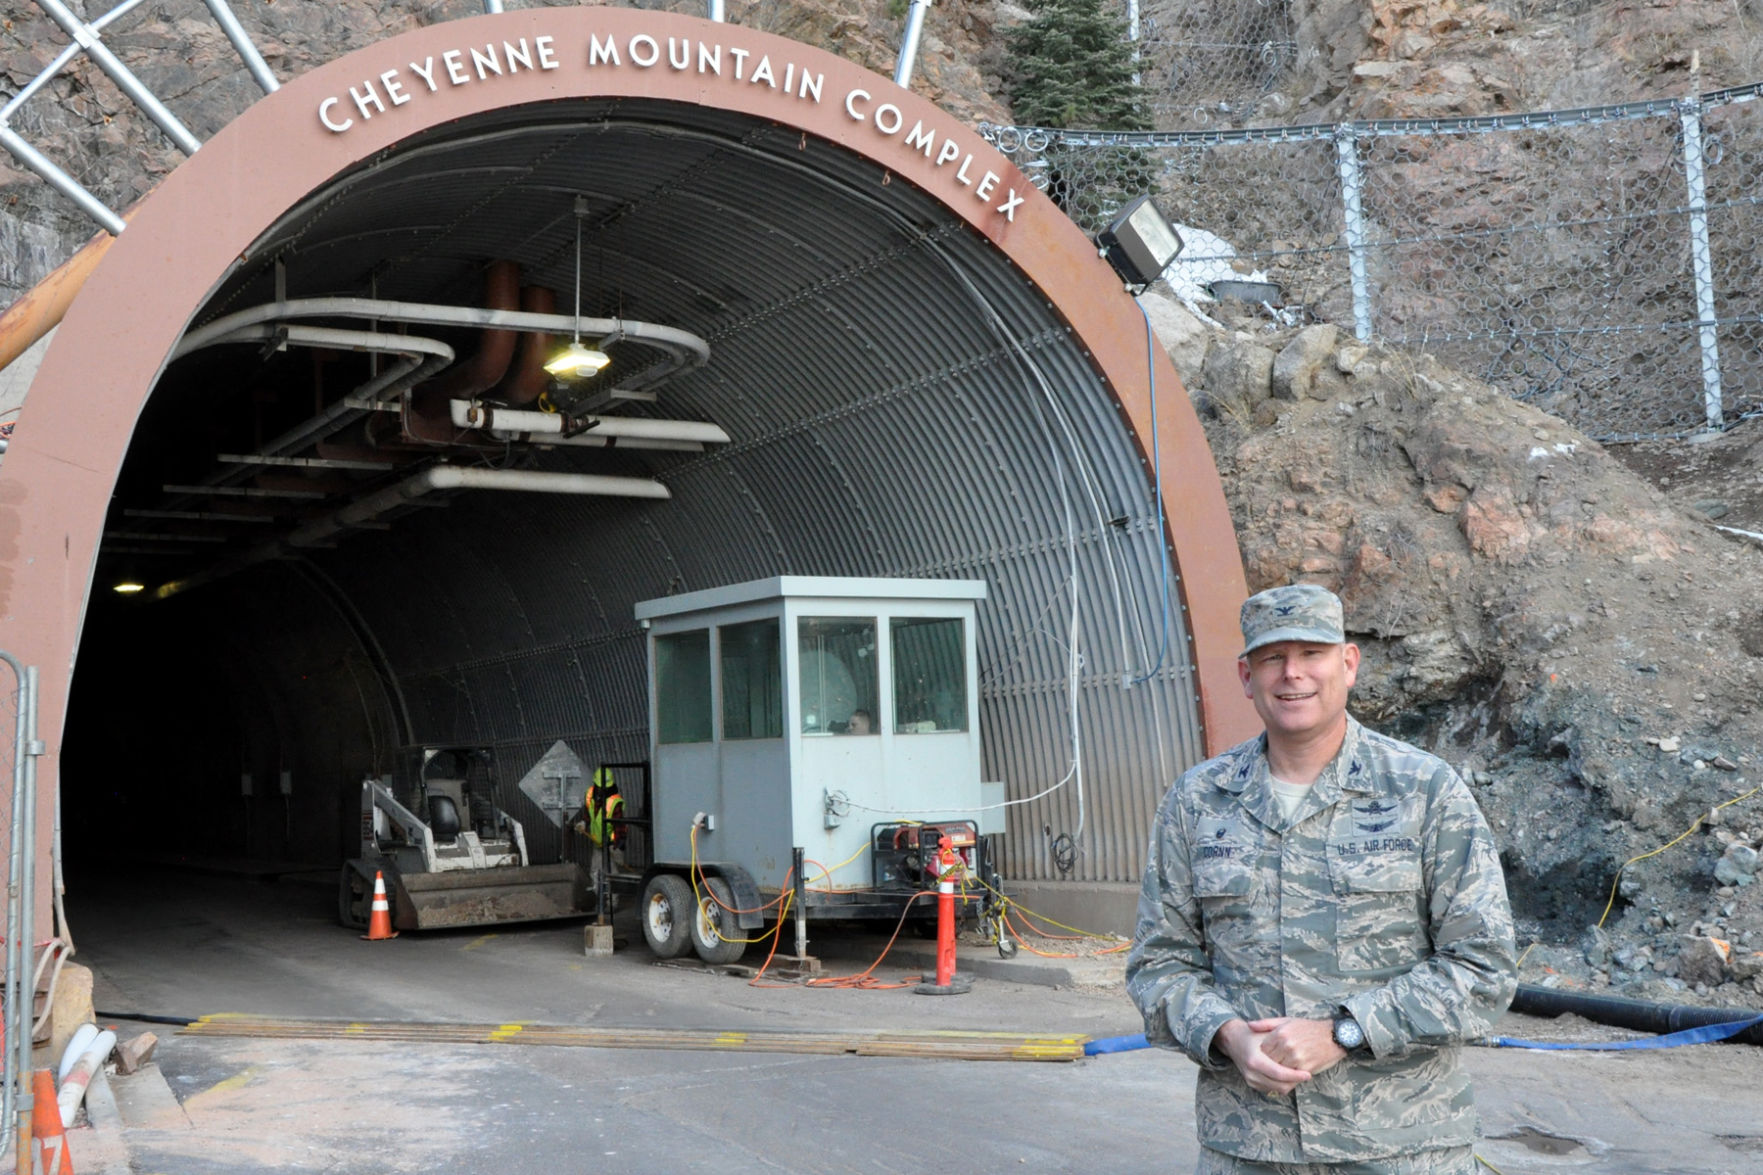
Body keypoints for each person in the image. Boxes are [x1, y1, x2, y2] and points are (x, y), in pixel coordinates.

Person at [1125, 583, 1516, 1173]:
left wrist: (1345, 1032)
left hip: (1401, 1146)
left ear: (1348, 663)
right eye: (1272, 658)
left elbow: (1484, 967)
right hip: (1249, 1144)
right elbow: (1159, 964)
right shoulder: (1197, 802)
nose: (1292, 674)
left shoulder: (1425, 791)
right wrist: (1228, 1035)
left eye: (1312, 653)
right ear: (1246, 674)